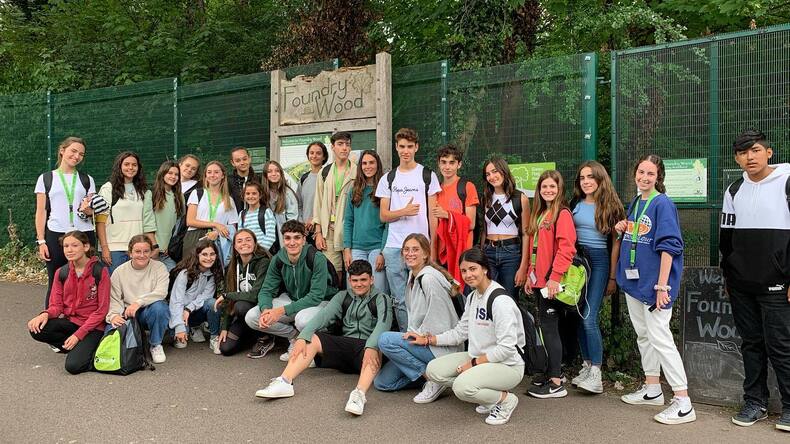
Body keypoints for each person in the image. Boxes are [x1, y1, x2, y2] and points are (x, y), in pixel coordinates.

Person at [614, 154, 695, 425]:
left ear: (659, 177)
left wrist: (662, 285)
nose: (644, 177)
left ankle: (683, 401)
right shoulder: (636, 202)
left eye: (650, 173)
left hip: (654, 284)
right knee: (644, 336)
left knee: (660, 337)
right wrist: (623, 227)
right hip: (635, 283)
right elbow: (640, 235)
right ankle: (652, 389)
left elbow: (669, 246)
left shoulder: (663, 203)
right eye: (641, 172)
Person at [254, 260, 392, 416]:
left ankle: (358, 395)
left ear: (371, 279)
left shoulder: (382, 298)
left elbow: (383, 325)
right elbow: (323, 316)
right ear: (349, 280)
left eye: (363, 280)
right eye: (355, 280)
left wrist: (371, 346)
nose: (359, 284)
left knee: (377, 346)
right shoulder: (342, 296)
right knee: (311, 338)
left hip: (366, 350)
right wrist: (302, 337)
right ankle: (285, 382)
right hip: (345, 347)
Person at [720, 129, 790, 431]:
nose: (750, 157)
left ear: (769, 153)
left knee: (781, 346)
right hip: (741, 285)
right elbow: (726, 238)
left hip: (777, 285)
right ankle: (755, 402)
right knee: (751, 344)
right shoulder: (734, 189)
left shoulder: (787, 182)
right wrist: (728, 274)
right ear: (737, 158)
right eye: (743, 152)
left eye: (756, 150)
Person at [417, 247, 526, 426]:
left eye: (473, 269)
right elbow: (460, 332)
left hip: (508, 365)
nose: (468, 275)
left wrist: (473, 364)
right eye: (464, 271)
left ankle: (505, 400)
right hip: (479, 358)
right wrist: (429, 339)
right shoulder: (473, 297)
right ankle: (488, 396)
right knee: (433, 370)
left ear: (485, 269)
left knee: (461, 387)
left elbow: (506, 349)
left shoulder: (500, 301)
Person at [374, 233, 461, 401]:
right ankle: (432, 375)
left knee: (385, 340)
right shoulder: (413, 276)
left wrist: (421, 336)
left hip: (438, 347)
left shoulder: (428, 279)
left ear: (426, 254)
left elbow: (441, 321)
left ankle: (434, 379)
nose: (410, 254)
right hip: (422, 343)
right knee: (383, 382)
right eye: (406, 250)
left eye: (415, 249)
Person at [376, 128, 441, 330]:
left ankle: (424, 337)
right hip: (394, 246)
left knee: (423, 296)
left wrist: (433, 247)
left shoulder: (427, 175)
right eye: (402, 146)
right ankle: (407, 337)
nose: (406, 151)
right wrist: (404, 211)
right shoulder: (388, 178)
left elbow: (433, 216)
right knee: (399, 299)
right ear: (396, 148)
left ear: (416, 148)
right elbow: (383, 215)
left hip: (421, 246)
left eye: (410, 146)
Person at [245, 220, 338, 361]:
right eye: (288, 238)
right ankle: (295, 337)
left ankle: (313, 347)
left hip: (321, 302)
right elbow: (266, 290)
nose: (292, 242)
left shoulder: (316, 258)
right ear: (283, 240)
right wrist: (266, 310)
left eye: (297, 238)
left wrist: (280, 311)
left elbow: (315, 296)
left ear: (304, 239)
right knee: (252, 316)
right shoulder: (278, 259)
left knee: (302, 320)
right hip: (293, 300)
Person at [569, 161, 625, 394]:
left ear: (600, 179)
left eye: (590, 177)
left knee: (589, 318)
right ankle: (586, 365)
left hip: (599, 261)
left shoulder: (611, 206)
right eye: (582, 178)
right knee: (578, 314)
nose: (586, 181)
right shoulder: (574, 203)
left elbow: (616, 244)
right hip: (576, 262)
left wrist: (612, 277)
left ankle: (596, 374)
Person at [522, 170, 576, 398]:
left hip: (551, 283)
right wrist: (529, 275)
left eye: (552, 186)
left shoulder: (562, 214)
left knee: (550, 330)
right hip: (539, 282)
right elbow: (535, 251)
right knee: (545, 329)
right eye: (544, 186)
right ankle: (551, 373)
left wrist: (555, 278)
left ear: (559, 189)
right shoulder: (540, 213)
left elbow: (566, 248)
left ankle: (556, 383)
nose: (548, 190)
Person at [27, 230, 110, 374]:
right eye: (66, 246)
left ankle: (90, 349)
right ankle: (77, 347)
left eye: (74, 245)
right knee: (37, 329)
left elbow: (102, 311)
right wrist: (45, 314)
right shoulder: (61, 272)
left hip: (93, 327)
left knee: (73, 367)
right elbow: (56, 306)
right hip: (72, 323)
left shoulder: (100, 271)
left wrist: (78, 335)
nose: (69, 250)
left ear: (85, 247)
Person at [34, 136, 98, 306]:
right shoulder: (46, 178)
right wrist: (41, 241)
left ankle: (82, 319)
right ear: (62, 151)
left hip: (83, 235)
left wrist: (88, 210)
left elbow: (91, 211)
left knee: (86, 280)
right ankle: (51, 318)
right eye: (73, 151)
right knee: (55, 280)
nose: (77, 156)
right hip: (56, 235)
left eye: (81, 154)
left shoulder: (87, 179)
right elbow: (41, 211)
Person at [106, 235, 170, 364]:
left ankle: (155, 344)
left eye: (146, 251)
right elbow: (114, 298)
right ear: (130, 253)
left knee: (160, 307)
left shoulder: (159, 267)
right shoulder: (119, 272)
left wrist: (138, 302)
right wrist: (114, 315)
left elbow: (161, 292)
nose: (142, 255)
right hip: (127, 313)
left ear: (151, 252)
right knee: (110, 337)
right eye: (137, 251)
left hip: (148, 311)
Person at [96, 151, 156, 274]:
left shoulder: (144, 191)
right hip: (114, 250)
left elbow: (148, 222)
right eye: (126, 164)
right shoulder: (108, 188)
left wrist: (153, 246)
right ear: (119, 166)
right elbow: (100, 221)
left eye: (134, 165)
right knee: (115, 285)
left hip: (137, 249)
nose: (130, 167)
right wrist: (104, 248)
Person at [479, 157, 530, 301]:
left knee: (509, 299)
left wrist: (523, 267)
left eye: (495, 171)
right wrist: (481, 254)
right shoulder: (486, 198)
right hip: (489, 252)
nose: (492, 176)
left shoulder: (520, 198)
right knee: (488, 297)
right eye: (488, 174)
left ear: (504, 171)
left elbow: (526, 234)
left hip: (511, 254)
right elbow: (485, 230)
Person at [216, 229, 272, 357]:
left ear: (254, 244)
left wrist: (226, 295)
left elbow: (255, 295)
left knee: (240, 306)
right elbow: (229, 300)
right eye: (239, 241)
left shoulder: (263, 262)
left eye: (248, 240)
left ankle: (265, 337)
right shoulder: (232, 266)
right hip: (242, 316)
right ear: (235, 246)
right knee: (225, 349)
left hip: (260, 310)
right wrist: (225, 327)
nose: (244, 243)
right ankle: (250, 335)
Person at [431, 144, 478, 289]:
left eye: (452, 162)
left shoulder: (467, 187)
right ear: (438, 164)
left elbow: (471, 224)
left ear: (459, 164)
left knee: (464, 295)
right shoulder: (435, 190)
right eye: (444, 162)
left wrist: (447, 215)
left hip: (463, 253)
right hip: (443, 254)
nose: (447, 167)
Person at [314, 131, 357, 281]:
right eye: (340, 144)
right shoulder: (324, 172)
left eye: (347, 144)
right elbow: (318, 203)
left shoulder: (357, 171)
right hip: (329, 231)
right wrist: (318, 232)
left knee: (353, 271)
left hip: (350, 230)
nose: (344, 148)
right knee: (333, 273)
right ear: (333, 147)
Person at [343, 150, 388, 293]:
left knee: (378, 289)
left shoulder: (384, 189)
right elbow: (348, 221)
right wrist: (347, 249)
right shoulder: (354, 190)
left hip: (377, 247)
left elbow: (388, 224)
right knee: (355, 289)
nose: (368, 166)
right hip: (357, 248)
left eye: (371, 163)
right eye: (364, 163)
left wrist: (383, 252)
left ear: (377, 165)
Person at [169, 239, 224, 355]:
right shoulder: (184, 274)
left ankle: (213, 337)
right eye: (204, 254)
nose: (209, 258)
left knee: (212, 303)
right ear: (197, 255)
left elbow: (206, 296)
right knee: (181, 344)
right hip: (178, 311)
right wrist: (179, 327)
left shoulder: (212, 274)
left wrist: (188, 309)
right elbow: (176, 301)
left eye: (212, 254)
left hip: (192, 310)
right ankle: (184, 328)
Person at [184, 160, 238, 264]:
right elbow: (190, 221)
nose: (212, 175)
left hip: (217, 238)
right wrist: (215, 224)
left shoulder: (229, 200)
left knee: (215, 270)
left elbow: (233, 227)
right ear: (205, 175)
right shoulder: (197, 193)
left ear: (223, 175)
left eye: (216, 172)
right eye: (209, 172)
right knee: (191, 269)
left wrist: (217, 233)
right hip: (195, 236)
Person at [151, 160, 185, 271]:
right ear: (162, 173)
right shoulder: (151, 194)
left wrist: (170, 246)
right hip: (153, 249)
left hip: (170, 251)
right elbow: (147, 223)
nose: (173, 177)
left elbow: (180, 224)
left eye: (176, 174)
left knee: (172, 277)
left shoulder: (179, 196)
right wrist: (155, 246)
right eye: (170, 173)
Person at [298, 141, 329, 245]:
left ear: (324, 157)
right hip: (305, 231)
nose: (314, 156)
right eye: (311, 153)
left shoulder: (328, 177)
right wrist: (302, 223)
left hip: (323, 231)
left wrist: (314, 219)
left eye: (318, 153)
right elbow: (299, 205)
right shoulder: (303, 178)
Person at [262, 160, 299, 246]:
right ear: (265, 175)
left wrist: (288, 236)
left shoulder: (288, 193)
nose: (274, 174)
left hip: (282, 234)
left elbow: (292, 218)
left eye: (277, 171)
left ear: (281, 173)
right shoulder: (262, 193)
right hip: (266, 235)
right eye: (269, 171)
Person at [238, 182, 277, 253]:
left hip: (262, 253)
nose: (251, 196)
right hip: (247, 252)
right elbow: (240, 236)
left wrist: (259, 253)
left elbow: (270, 236)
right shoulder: (242, 214)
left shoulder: (266, 212)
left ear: (260, 195)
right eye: (248, 194)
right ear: (244, 196)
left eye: (254, 193)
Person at [228, 146, 261, 213]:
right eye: (238, 160)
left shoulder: (259, 180)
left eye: (244, 159)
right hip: (235, 218)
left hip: (256, 218)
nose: (242, 163)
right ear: (232, 163)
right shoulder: (228, 182)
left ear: (249, 159)